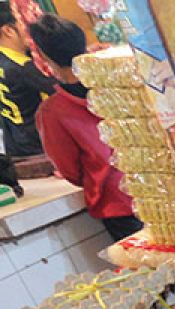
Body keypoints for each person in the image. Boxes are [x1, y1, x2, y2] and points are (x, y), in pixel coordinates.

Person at [29, 15, 142, 241]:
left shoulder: (52, 112)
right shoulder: (118, 82)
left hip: (116, 202)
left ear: (44, 56)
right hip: (155, 187)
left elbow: (69, 169)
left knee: (154, 273)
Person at [0, 2, 54, 157]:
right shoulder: (22, 67)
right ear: (9, 31)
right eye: (22, 24)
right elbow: (59, 90)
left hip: (16, 145)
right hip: (37, 147)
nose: (29, 30)